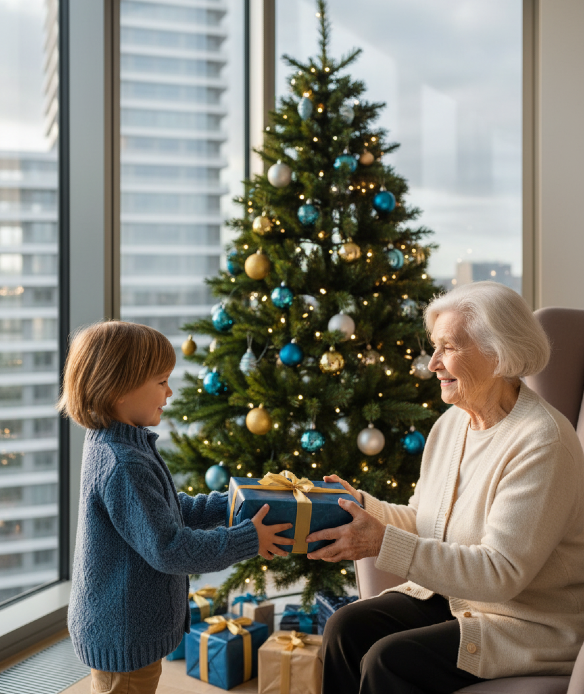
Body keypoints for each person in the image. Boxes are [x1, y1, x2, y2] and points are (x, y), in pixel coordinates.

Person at [306, 281, 584, 694]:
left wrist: (383, 543)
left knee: (390, 661)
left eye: (449, 347)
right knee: (347, 627)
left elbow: (500, 574)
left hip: (524, 621)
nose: (432, 362)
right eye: (434, 347)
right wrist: (360, 506)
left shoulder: (543, 442)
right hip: (459, 600)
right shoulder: (451, 424)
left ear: (498, 352)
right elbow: (426, 521)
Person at [58, 320, 293, 694]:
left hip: (122, 629)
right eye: (161, 381)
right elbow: (169, 548)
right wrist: (248, 539)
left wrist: (226, 505)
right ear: (119, 389)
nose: (169, 392)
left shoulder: (118, 444)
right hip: (124, 636)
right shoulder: (124, 462)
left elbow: (164, 510)